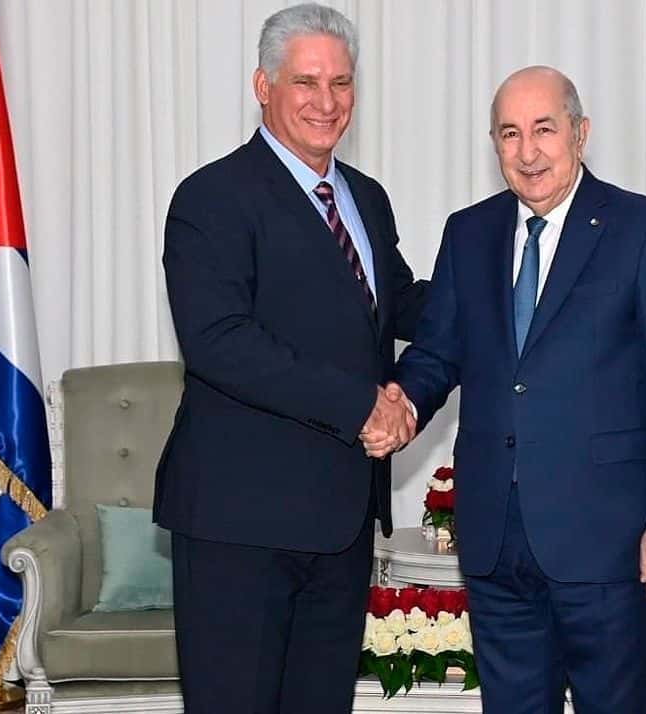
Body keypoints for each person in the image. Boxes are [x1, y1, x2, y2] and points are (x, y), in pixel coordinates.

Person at [372, 66, 646, 713]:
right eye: (509, 134)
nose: (527, 151)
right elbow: (440, 350)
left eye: (543, 129)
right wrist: (406, 403)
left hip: (613, 545)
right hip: (496, 540)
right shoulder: (468, 233)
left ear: (580, 134)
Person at [154, 4, 426, 712]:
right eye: (306, 82)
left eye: (341, 83)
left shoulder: (366, 198)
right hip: (238, 524)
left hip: (339, 524)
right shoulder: (211, 198)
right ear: (263, 85)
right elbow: (220, 342)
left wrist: (517, 293)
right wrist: (362, 403)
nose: (326, 102)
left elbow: (399, 307)